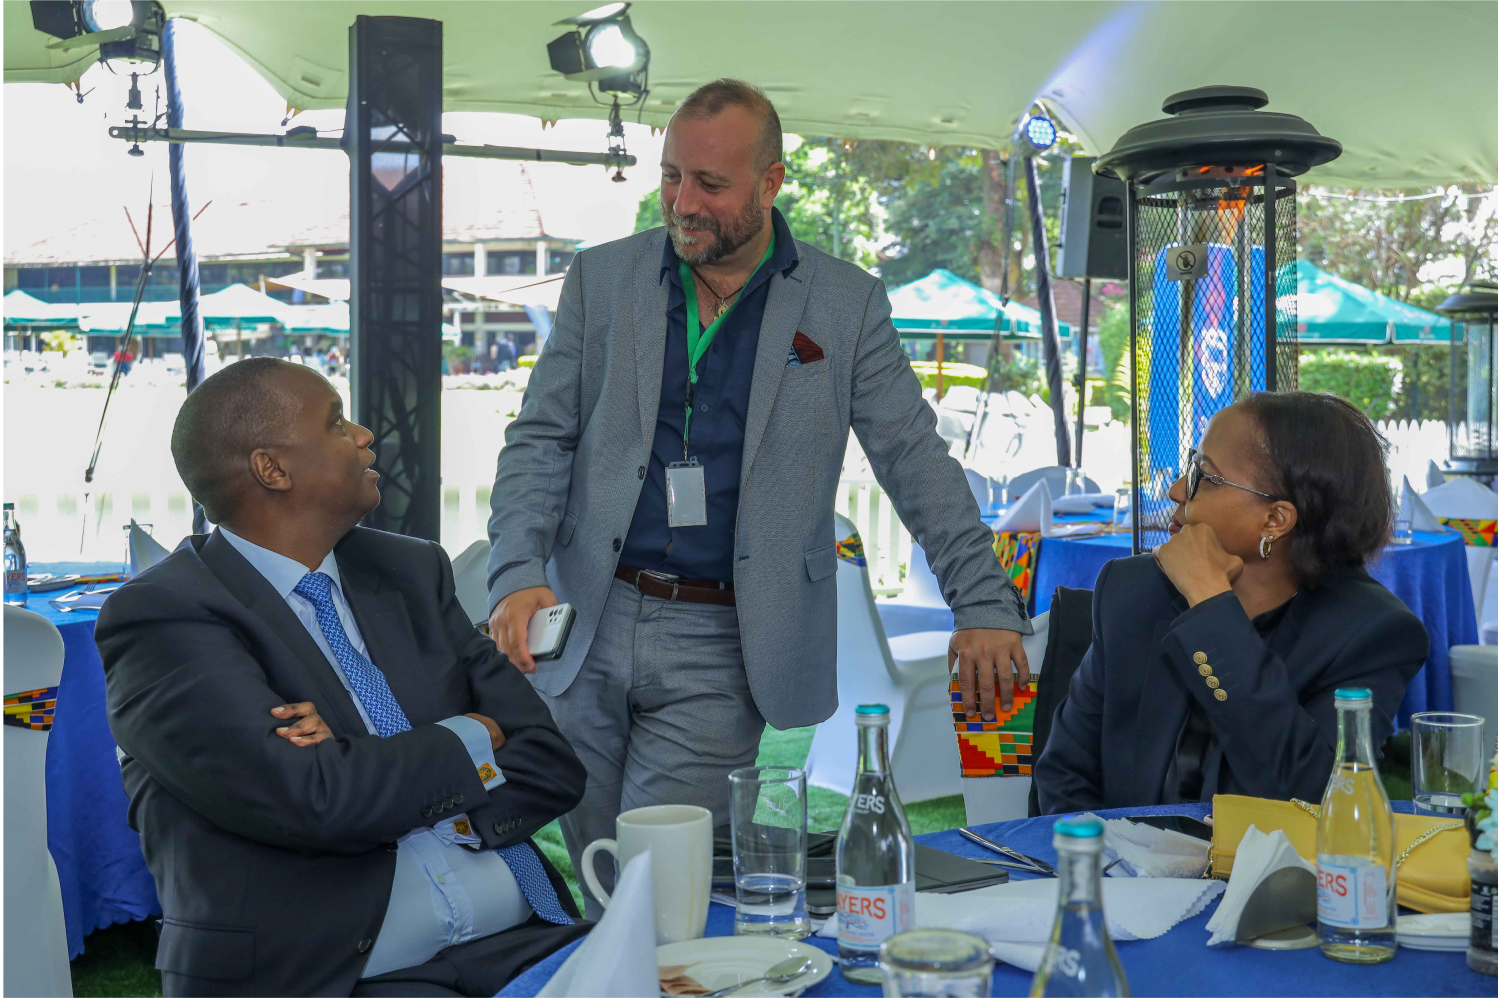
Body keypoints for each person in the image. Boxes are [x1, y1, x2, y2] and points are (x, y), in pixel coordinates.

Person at [486, 79, 1031, 913]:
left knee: (655, 883)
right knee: (599, 867)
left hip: (723, 637)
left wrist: (982, 601)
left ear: (771, 183)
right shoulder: (602, 279)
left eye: (710, 184)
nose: (683, 203)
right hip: (586, 615)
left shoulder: (844, 306)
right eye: (672, 177)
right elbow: (540, 437)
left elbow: (913, 459)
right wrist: (518, 570)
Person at [95, 358, 590, 997]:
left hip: (517, 935)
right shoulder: (164, 616)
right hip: (337, 972)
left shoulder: (410, 572)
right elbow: (315, 801)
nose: (364, 435)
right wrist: (473, 736)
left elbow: (552, 761)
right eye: (335, 422)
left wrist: (400, 786)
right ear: (272, 469)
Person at [1035, 392, 1429, 813]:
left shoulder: (1372, 634)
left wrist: (1210, 607)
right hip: (1116, 854)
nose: (1177, 490)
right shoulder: (1135, 590)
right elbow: (1064, 775)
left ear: (1275, 519)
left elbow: (1315, 798)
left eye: (1205, 476)